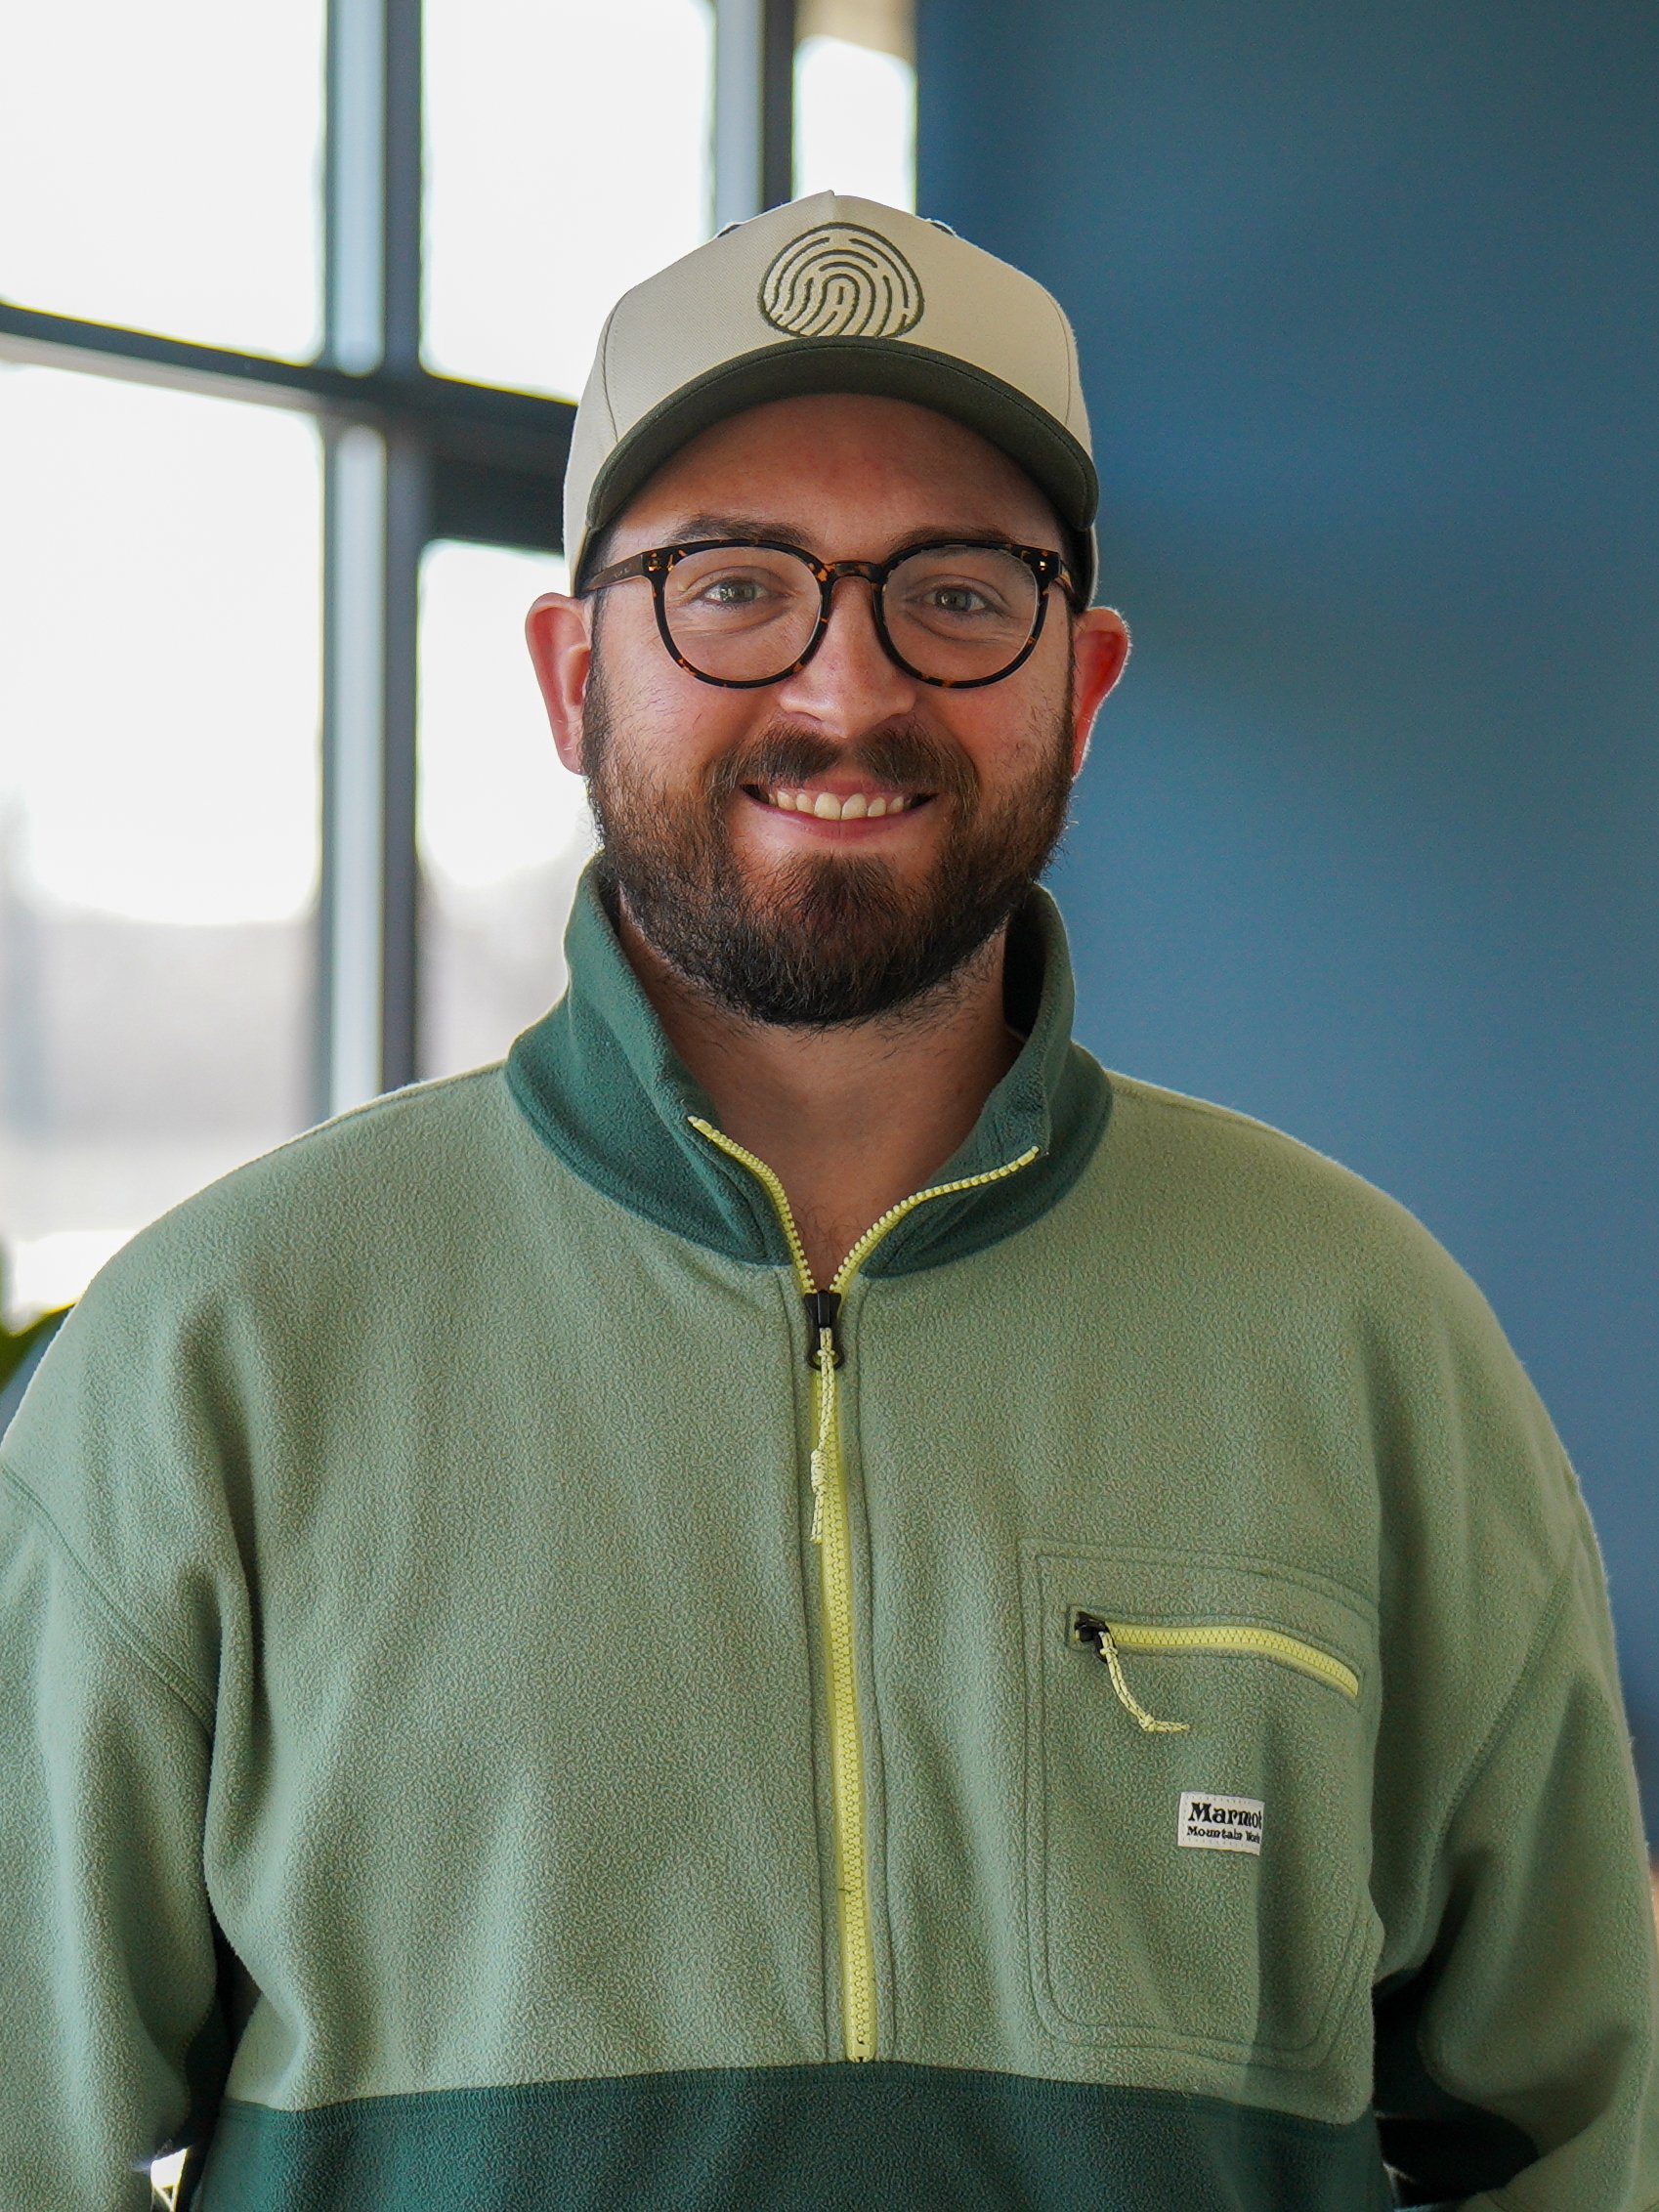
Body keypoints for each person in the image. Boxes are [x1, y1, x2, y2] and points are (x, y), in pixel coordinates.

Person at [2, 191, 1655, 2212]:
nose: (845, 689)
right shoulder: (218, 1356)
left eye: (956, 593)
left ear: (1084, 681)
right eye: (731, 587)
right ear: (570, 672)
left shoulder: (1367, 1341)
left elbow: (1581, 2145)